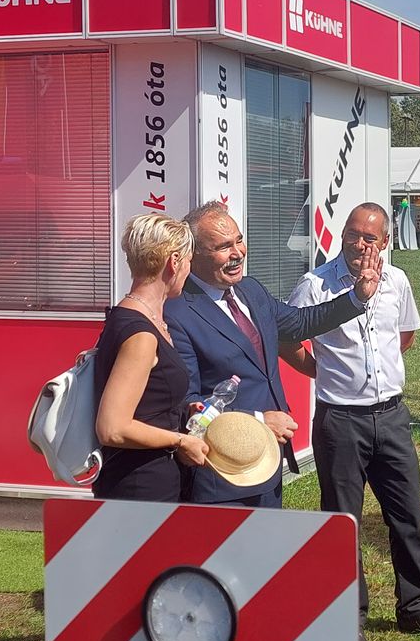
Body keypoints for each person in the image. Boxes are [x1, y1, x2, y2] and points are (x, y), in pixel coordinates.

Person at [282, 202, 420, 641]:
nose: (359, 244)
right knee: (344, 521)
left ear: (385, 242)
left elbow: (405, 335)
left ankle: (414, 606)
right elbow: (287, 339)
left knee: (408, 515)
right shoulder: (316, 285)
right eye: (352, 234)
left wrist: (383, 372)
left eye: (369, 238)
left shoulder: (397, 281)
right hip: (340, 419)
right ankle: (349, 615)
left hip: (391, 416)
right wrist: (321, 370)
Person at [164, 201, 382, 507]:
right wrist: (259, 421)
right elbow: (189, 406)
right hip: (220, 478)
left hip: (266, 464)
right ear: (194, 254)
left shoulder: (251, 291)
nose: (237, 252)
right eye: (224, 247)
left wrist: (357, 297)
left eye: (239, 240)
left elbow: (301, 323)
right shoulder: (177, 313)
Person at [93, 213, 209, 502]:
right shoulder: (141, 335)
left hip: (153, 480)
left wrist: (183, 412)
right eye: (189, 261)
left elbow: (148, 400)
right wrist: (181, 439)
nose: (188, 270)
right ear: (174, 262)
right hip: (138, 488)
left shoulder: (141, 319)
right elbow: (113, 428)